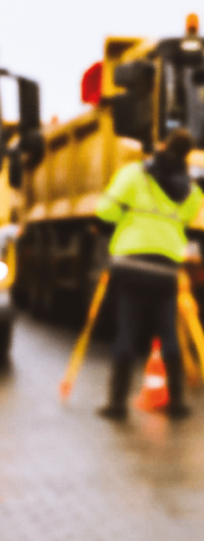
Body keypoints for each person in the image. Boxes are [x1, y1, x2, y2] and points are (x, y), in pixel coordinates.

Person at [96, 127, 203, 420]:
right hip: (166, 268)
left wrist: (124, 216)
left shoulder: (134, 174)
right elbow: (186, 220)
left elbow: (105, 211)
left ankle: (116, 405)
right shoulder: (191, 190)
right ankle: (178, 403)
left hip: (130, 265)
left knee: (127, 333)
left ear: (162, 145)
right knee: (169, 334)